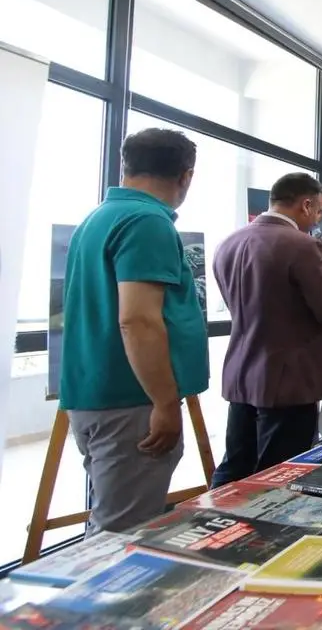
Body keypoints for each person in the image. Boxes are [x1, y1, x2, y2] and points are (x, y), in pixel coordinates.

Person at [59, 128, 208, 534]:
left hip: (97, 394)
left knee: (114, 519)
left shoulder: (98, 218)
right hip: (132, 401)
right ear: (186, 176)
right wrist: (164, 402)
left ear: (126, 165)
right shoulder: (147, 222)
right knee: (121, 535)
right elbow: (138, 319)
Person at [210, 172, 322, 487]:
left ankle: (213, 518)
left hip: (241, 374)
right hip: (289, 380)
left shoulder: (228, 243)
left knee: (235, 469)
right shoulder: (303, 246)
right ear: (306, 205)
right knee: (280, 476)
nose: (317, 220)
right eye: (318, 211)